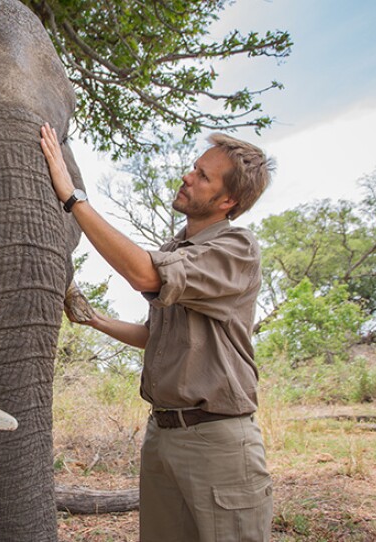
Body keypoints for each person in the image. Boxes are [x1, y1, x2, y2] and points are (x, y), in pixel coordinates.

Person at [40, 123, 275, 542]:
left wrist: (73, 198)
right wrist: (95, 320)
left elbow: (141, 272)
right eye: (194, 167)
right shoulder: (175, 250)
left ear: (228, 200)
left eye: (203, 176)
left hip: (217, 440)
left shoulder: (236, 250)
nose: (187, 176)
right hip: (162, 435)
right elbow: (156, 336)